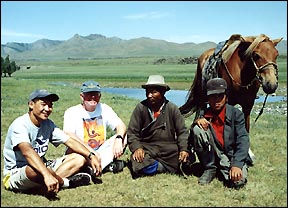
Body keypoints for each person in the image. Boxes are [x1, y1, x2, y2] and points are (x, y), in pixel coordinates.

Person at [2, 89, 101, 197]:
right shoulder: (20, 124)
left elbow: (69, 141)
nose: (47, 109)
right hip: (17, 173)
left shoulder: (47, 124)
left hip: (42, 166)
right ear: (31, 104)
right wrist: (46, 173)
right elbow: (27, 152)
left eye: (50, 105)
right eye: (43, 104)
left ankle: (47, 184)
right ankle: (66, 183)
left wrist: (91, 155)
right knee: (33, 169)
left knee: (79, 158)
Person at [190, 77, 250, 189]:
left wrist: (236, 165)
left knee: (237, 182)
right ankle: (210, 168)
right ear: (208, 99)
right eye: (212, 97)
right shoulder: (204, 114)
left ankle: (226, 168)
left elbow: (243, 141)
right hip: (213, 155)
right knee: (197, 129)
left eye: (220, 96)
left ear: (226, 97)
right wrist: (196, 122)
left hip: (231, 155)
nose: (216, 100)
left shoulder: (236, 114)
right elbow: (191, 138)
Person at [127, 75, 191, 178]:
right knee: (138, 161)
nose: (149, 95)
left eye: (153, 92)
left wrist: (184, 149)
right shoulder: (141, 108)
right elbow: (132, 132)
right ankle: (163, 167)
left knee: (187, 159)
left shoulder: (172, 108)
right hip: (148, 148)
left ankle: (159, 166)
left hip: (169, 149)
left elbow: (182, 132)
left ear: (162, 92)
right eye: (147, 92)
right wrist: (137, 148)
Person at [63, 80, 127, 175]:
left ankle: (95, 168)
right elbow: (69, 135)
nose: (93, 97)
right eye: (89, 94)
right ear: (82, 96)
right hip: (82, 152)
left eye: (95, 94)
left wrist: (118, 138)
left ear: (99, 96)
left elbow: (120, 125)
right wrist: (91, 152)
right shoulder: (72, 112)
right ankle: (102, 165)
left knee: (125, 137)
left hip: (100, 150)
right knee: (75, 151)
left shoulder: (104, 108)